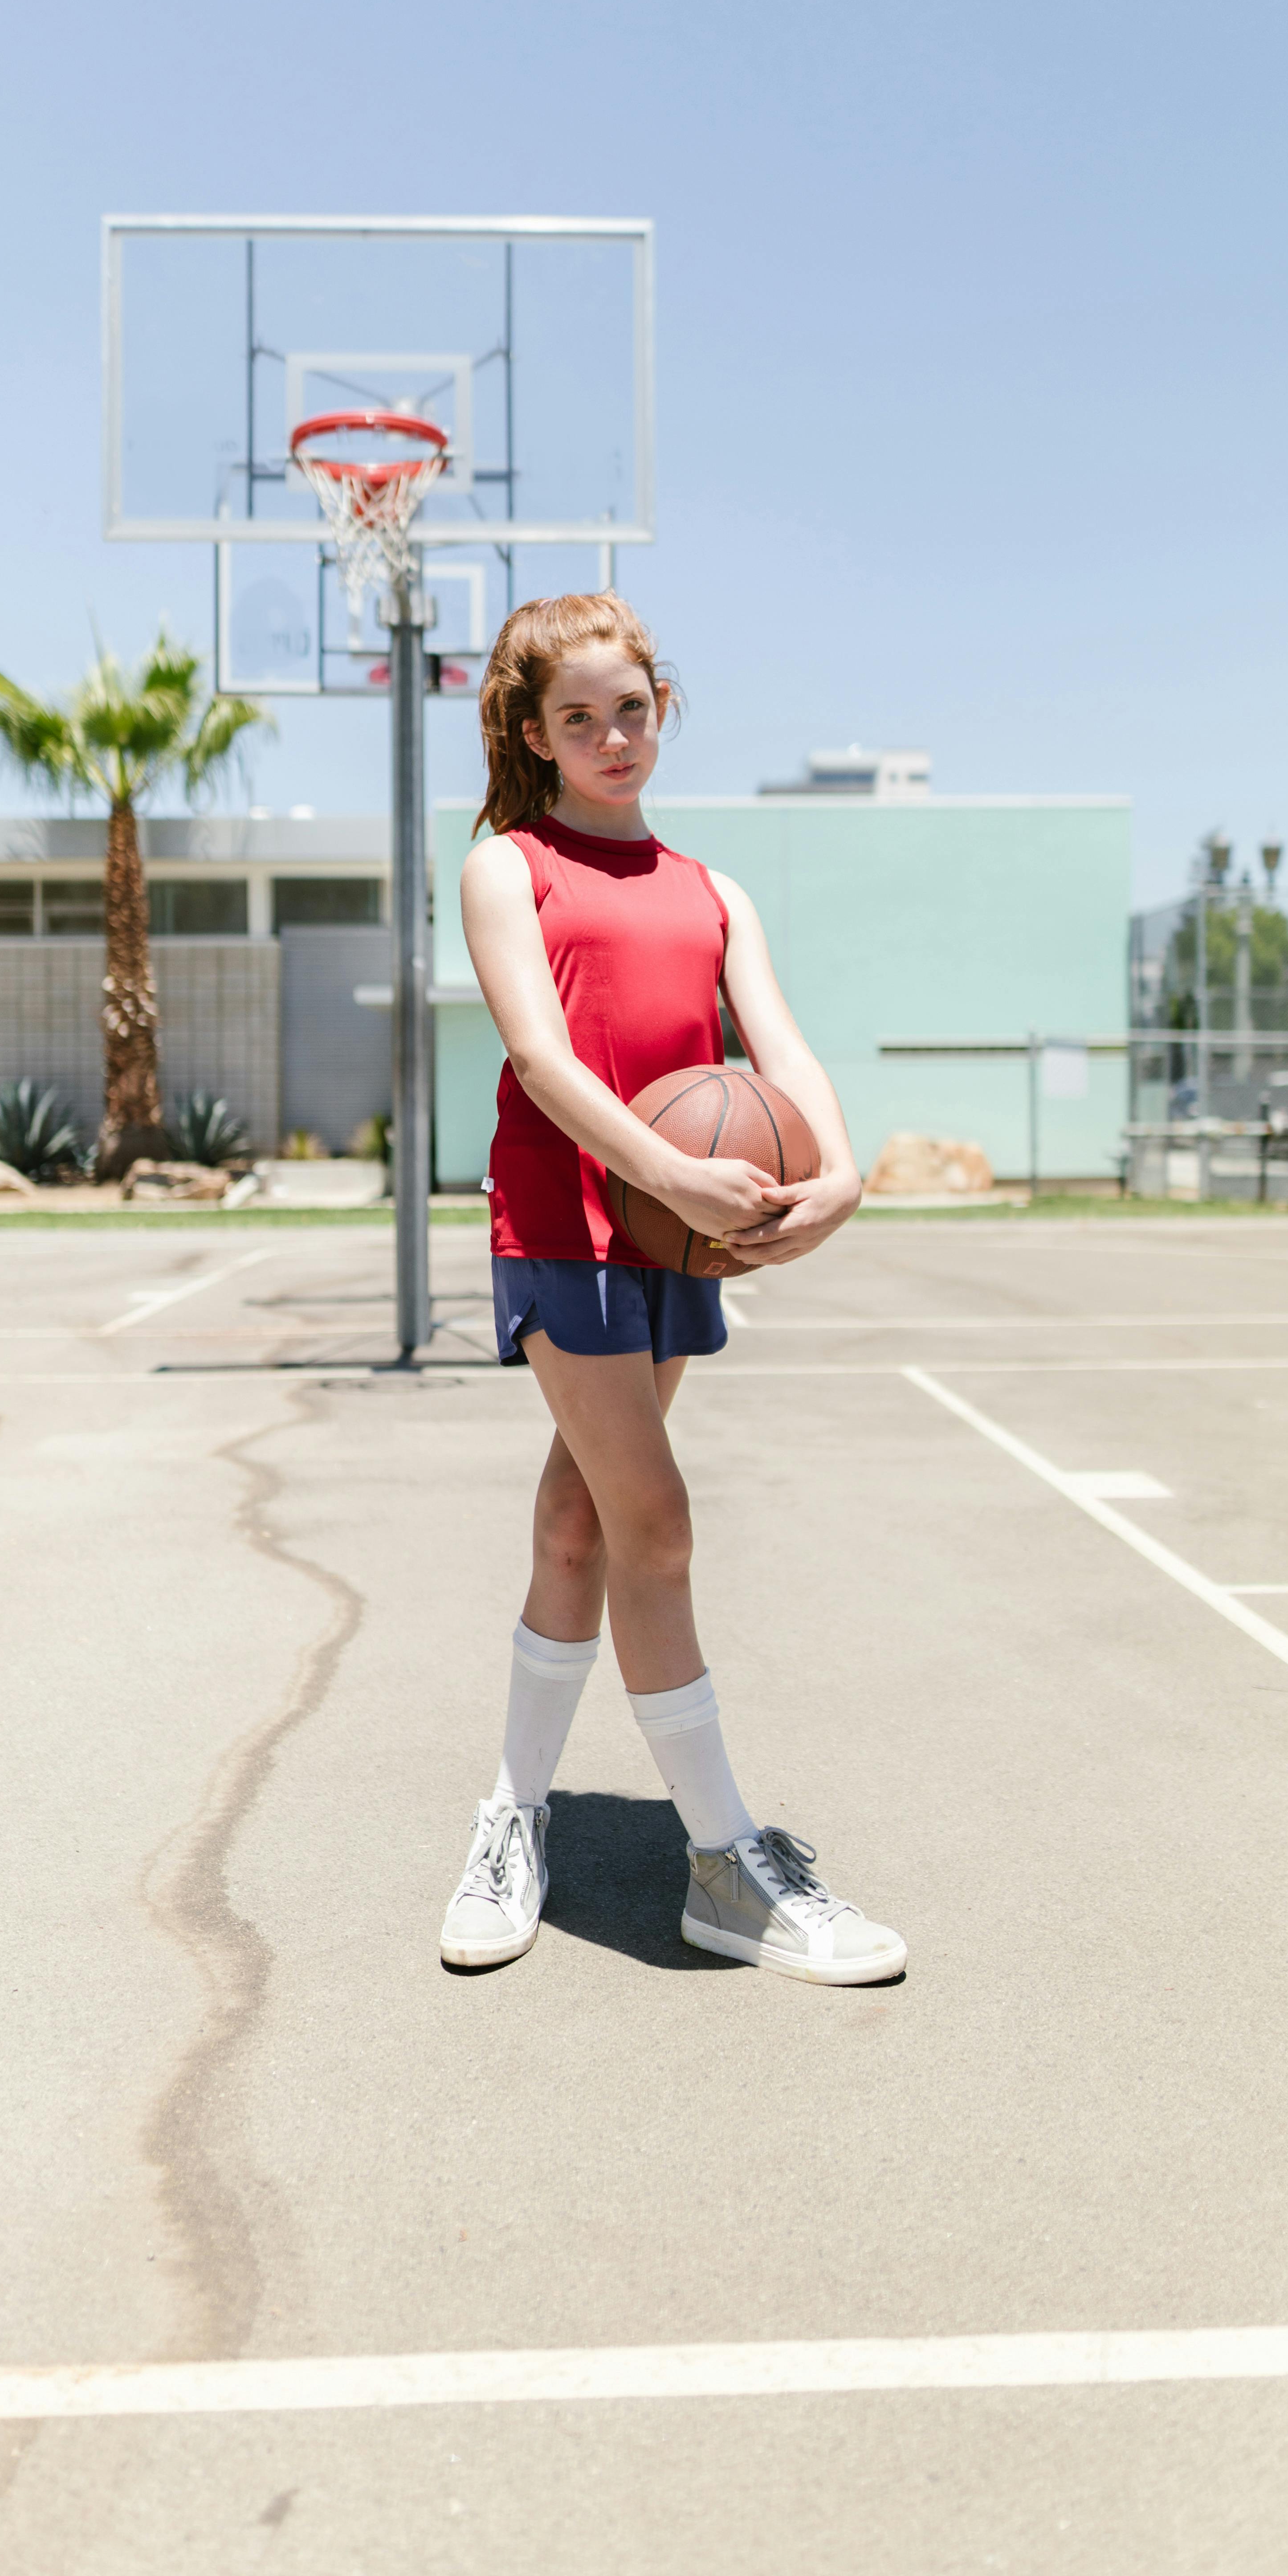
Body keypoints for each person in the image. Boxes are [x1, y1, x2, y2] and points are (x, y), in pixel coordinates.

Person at [441, 592, 906, 1986]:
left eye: (630, 707)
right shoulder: (506, 868)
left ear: (663, 706)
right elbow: (544, 1063)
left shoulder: (715, 891)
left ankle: (513, 1815)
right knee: (656, 1521)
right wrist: (679, 1175)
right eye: (576, 717)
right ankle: (723, 1865)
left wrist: (840, 1175)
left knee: (583, 1515)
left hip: (670, 1227)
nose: (610, 735)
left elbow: (782, 1048)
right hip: (565, 1215)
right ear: (535, 733)